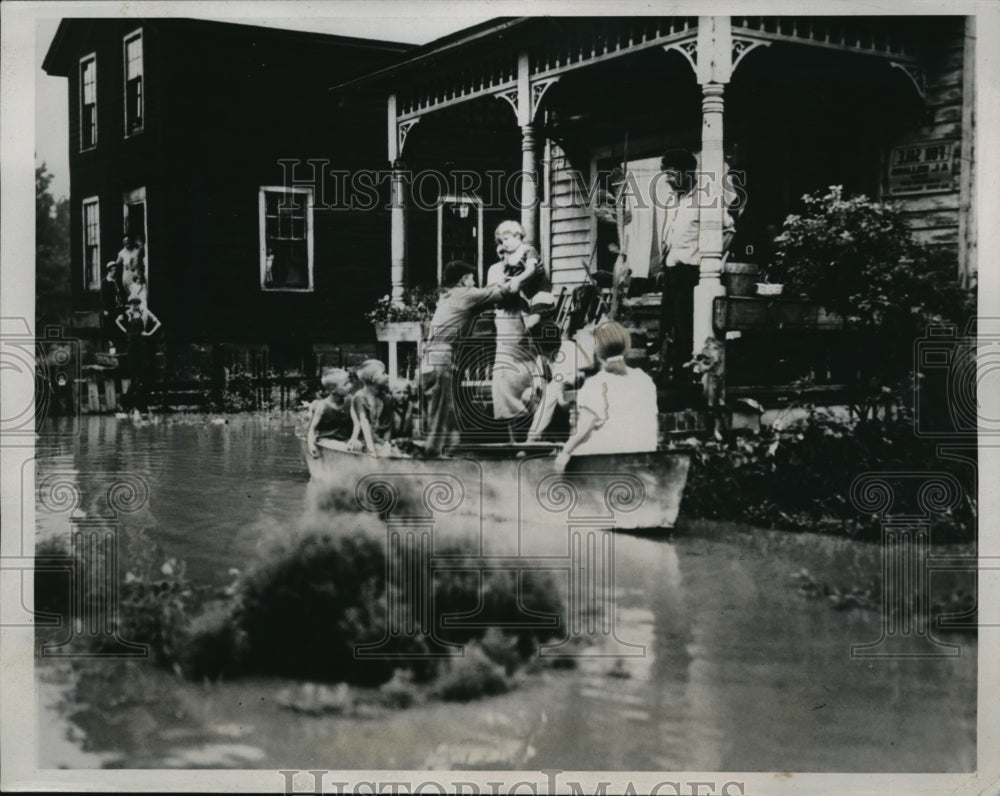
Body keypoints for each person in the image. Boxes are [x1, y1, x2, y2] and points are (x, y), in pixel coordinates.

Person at [656, 149, 735, 382]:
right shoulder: (675, 201)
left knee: (686, 331)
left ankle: (688, 382)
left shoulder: (705, 198)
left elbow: (729, 230)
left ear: (687, 173)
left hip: (691, 274)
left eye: (671, 174)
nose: (668, 180)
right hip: (671, 275)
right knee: (667, 329)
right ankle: (674, 377)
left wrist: (706, 260)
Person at [422, 260, 514, 457]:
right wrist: (524, 275)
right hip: (442, 358)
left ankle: (450, 450)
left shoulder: (448, 295)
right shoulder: (466, 295)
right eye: (472, 279)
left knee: (445, 407)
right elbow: (505, 292)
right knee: (442, 410)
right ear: (464, 280)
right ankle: (434, 456)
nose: (474, 282)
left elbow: (484, 292)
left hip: (431, 356)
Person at [554, 321, 658, 471]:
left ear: (597, 351)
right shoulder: (644, 380)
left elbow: (584, 426)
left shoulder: (596, 384)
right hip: (646, 456)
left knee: (568, 455)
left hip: (608, 462)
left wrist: (565, 452)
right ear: (626, 347)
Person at [487, 221, 547, 440]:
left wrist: (520, 281)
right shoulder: (495, 269)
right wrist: (511, 280)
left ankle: (537, 431)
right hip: (507, 326)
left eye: (509, 240)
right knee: (505, 381)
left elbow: (535, 279)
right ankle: (514, 438)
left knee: (532, 377)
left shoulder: (527, 259)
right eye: (501, 243)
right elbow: (496, 296)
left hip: (528, 326)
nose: (505, 248)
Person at [115, 296, 161, 417]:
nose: (134, 305)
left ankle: (141, 406)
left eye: (136, 303)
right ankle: (129, 406)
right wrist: (125, 330)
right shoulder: (127, 313)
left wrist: (149, 333)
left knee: (142, 375)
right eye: (133, 303)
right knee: (133, 374)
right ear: (130, 304)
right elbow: (117, 320)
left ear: (139, 304)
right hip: (131, 346)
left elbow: (158, 322)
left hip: (141, 346)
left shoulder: (145, 313)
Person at [304, 368, 356, 458]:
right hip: (328, 441)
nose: (350, 386)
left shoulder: (350, 401)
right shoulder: (322, 407)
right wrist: (311, 445)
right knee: (341, 446)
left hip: (346, 440)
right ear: (332, 390)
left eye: (349, 382)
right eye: (345, 384)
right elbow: (311, 428)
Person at [349, 359, 393, 457]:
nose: (387, 376)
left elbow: (388, 424)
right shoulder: (360, 397)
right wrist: (371, 450)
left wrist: (386, 443)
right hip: (365, 439)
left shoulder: (386, 398)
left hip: (381, 440)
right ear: (373, 378)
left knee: (393, 453)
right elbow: (364, 424)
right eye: (384, 373)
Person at [100, 261, 124, 349]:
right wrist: (105, 309)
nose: (114, 272)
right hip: (110, 307)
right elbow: (103, 297)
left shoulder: (116, 281)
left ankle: (119, 345)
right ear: (109, 271)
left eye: (115, 270)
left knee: (119, 324)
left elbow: (120, 293)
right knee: (110, 325)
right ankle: (111, 345)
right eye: (113, 270)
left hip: (118, 307)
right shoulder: (105, 282)